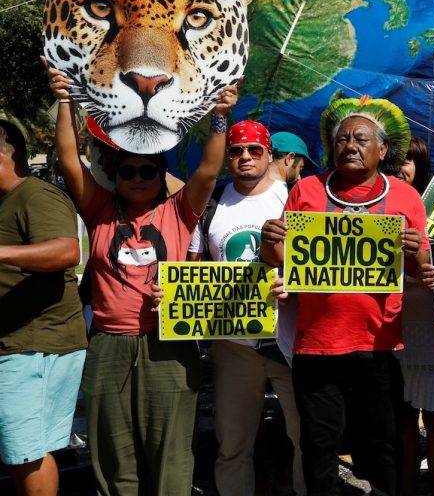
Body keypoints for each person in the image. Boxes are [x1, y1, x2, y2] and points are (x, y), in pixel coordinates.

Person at [47, 63, 236, 494]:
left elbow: (208, 171)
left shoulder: (179, 210)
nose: (136, 179)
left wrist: (221, 114)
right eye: (127, 171)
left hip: (167, 345)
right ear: (115, 176)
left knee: (172, 453)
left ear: (160, 176)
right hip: (108, 345)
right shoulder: (99, 210)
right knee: (113, 455)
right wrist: (64, 100)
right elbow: (68, 161)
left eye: (147, 171)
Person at [261, 97, 432, 496]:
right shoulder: (306, 190)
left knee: (381, 446)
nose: (349, 146)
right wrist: (271, 244)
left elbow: (421, 266)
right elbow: (281, 258)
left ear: (383, 150)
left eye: (360, 138)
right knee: (319, 448)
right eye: (341, 140)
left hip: (378, 346)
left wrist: (415, 252)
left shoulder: (406, 198)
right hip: (316, 348)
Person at [188, 120, 304, 496]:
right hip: (233, 346)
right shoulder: (212, 203)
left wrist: (296, 283)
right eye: (236, 151)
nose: (245, 158)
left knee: (307, 441)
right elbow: (193, 268)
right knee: (232, 445)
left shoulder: (298, 199)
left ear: (269, 154)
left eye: (255, 150)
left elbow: (315, 268)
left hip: (288, 341)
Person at [0, 119, 85, 496]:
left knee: (27, 450)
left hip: (37, 343)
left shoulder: (35, 195)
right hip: (18, 342)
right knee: (20, 451)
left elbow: (67, 251)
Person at [389, 136, 434, 496]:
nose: (402, 167)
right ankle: (408, 488)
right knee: (401, 422)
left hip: (433, 326)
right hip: (393, 326)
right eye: (396, 159)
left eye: (410, 160)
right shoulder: (374, 206)